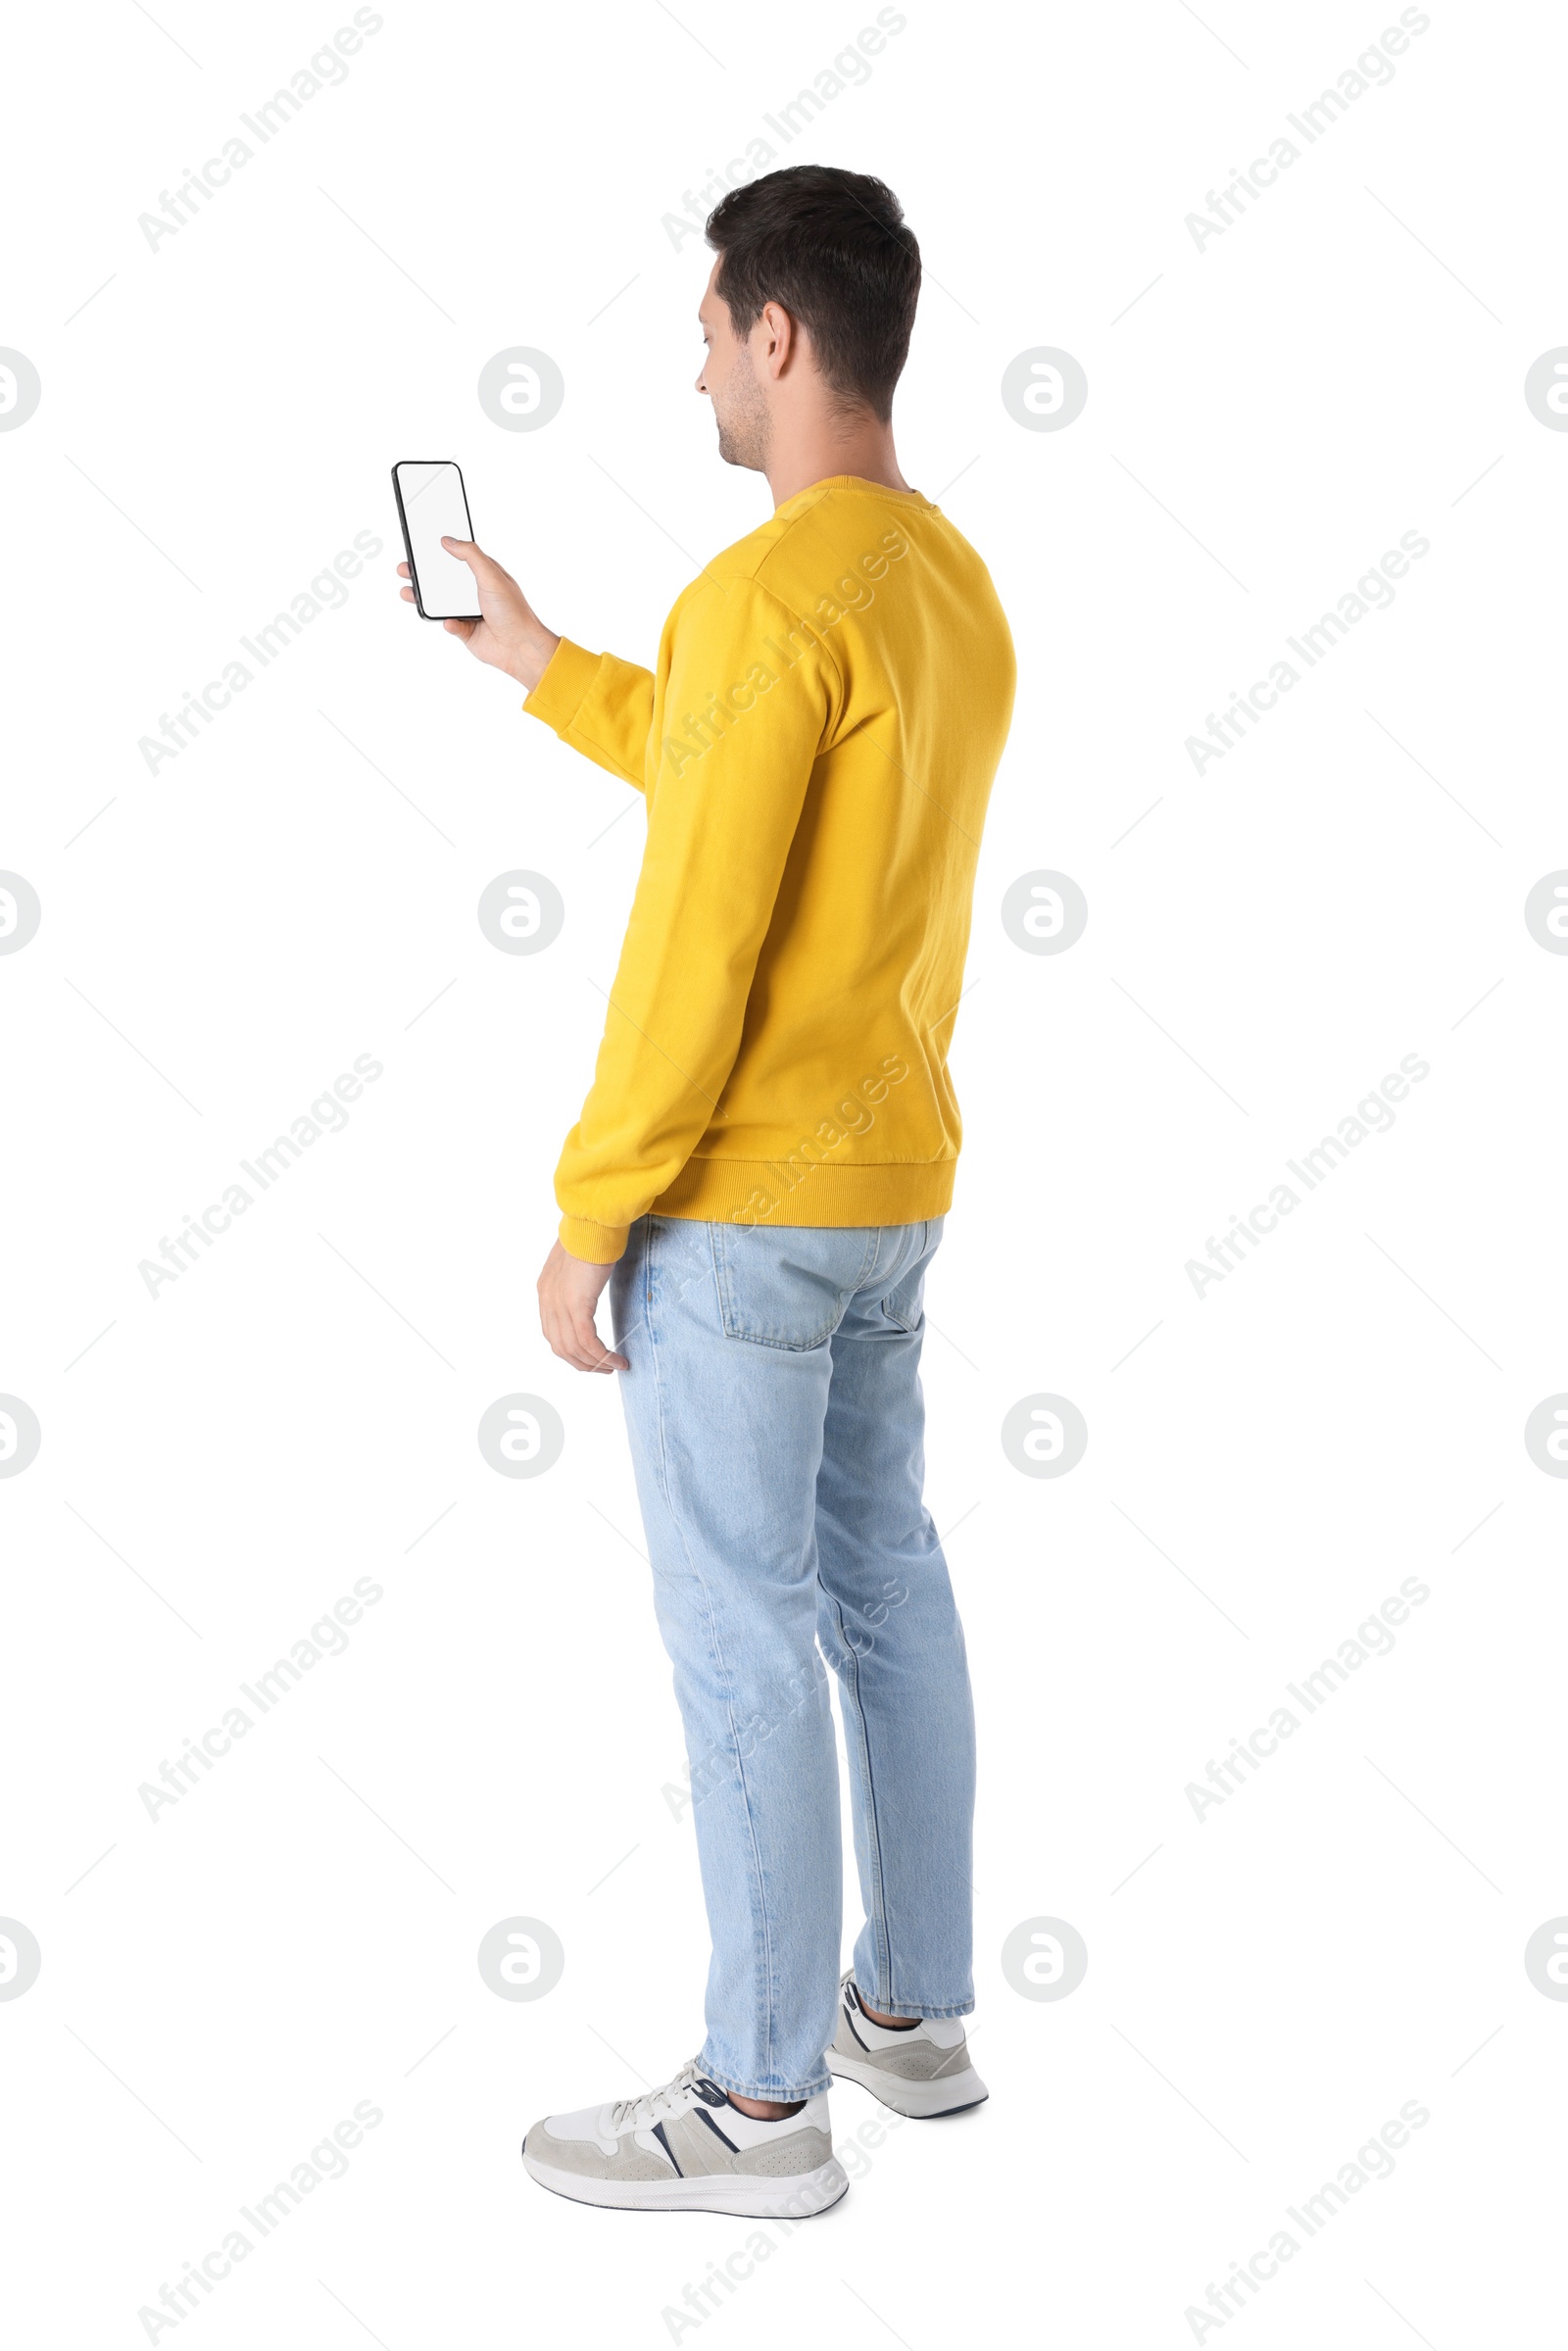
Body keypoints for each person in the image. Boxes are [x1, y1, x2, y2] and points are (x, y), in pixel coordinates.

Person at [397, 163, 1015, 2218]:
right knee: (882, 1586)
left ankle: (756, 2110)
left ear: (776, 332)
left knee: (740, 1638)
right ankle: (905, 2014)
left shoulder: (763, 595)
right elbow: (735, 770)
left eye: (703, 331)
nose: (690, 366)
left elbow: (701, 936)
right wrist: (538, 656)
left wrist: (594, 1213)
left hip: (739, 1210)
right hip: (889, 1188)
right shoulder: (939, 580)